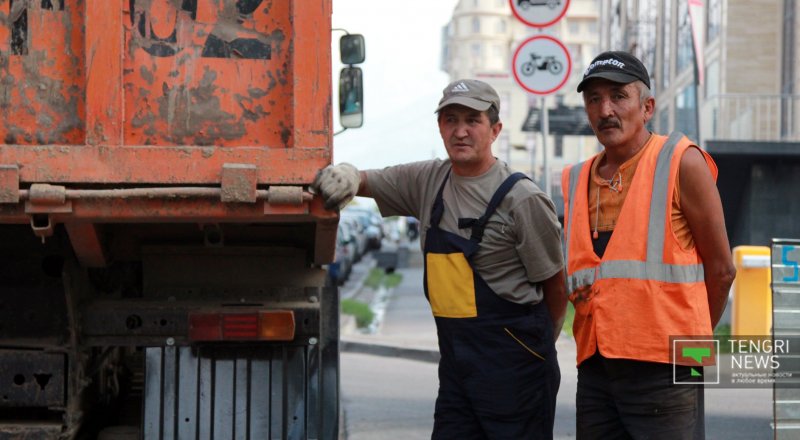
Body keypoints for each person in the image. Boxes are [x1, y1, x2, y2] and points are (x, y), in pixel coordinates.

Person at [313, 79, 566, 439]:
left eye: (472, 120)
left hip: (516, 368)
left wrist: (537, 349)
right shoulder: (429, 179)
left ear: (494, 129)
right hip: (457, 367)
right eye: (450, 119)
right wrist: (349, 174)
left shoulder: (522, 198)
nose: (460, 131)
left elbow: (556, 286)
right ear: (440, 127)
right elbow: (368, 181)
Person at [562, 51, 737, 439]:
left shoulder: (681, 161)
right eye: (593, 99)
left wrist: (690, 355)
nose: (605, 109)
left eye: (618, 96)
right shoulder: (574, 180)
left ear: (647, 107)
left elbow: (722, 270)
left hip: (668, 367)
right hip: (597, 367)